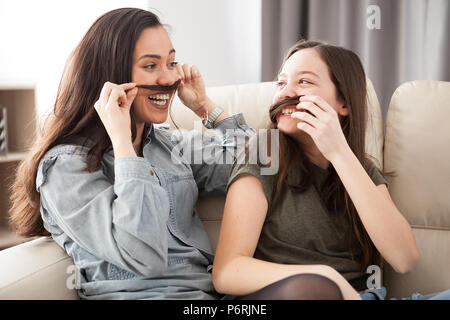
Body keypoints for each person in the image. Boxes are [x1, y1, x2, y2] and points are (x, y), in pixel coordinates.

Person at [9, 8, 252, 300]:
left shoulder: (168, 146)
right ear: (111, 76)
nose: (168, 78)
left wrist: (205, 107)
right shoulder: (64, 167)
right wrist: (124, 146)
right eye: (150, 66)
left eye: (172, 63)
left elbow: (259, 164)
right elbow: (143, 255)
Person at [212, 40, 450, 300]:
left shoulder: (361, 169)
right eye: (281, 83)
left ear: (344, 104)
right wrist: (326, 278)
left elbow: (404, 259)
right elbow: (227, 271)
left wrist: (340, 153)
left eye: (304, 82)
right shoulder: (263, 153)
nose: (284, 93)